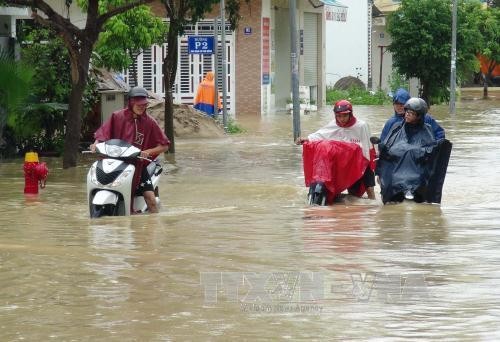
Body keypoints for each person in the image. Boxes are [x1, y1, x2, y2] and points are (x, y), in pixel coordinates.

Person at [90, 86, 170, 213]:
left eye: (144, 105)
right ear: (131, 103)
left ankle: (154, 227)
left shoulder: (149, 122)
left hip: (138, 164)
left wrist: (147, 152)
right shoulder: (117, 116)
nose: (141, 107)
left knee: (151, 200)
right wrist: (95, 144)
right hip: (115, 162)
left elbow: (165, 145)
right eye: (138, 104)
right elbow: (103, 134)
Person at [376, 97, 451, 204]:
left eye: (411, 113)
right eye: (407, 112)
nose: (407, 114)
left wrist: (416, 152)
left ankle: (413, 192)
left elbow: (431, 148)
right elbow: (387, 145)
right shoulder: (396, 127)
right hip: (398, 167)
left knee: (420, 178)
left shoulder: (427, 129)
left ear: (419, 116)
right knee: (390, 178)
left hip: (417, 169)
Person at [296, 99, 376, 200]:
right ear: (335, 115)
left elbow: (368, 147)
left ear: (350, 114)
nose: (342, 119)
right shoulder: (333, 125)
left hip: (359, 162)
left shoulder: (361, 126)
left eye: (345, 115)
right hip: (343, 164)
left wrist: (369, 165)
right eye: (339, 116)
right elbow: (320, 135)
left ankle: (372, 203)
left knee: (367, 184)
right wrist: (306, 139)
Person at [379, 88, 444, 142]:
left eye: (401, 104)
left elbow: (439, 134)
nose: (399, 107)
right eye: (396, 104)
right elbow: (383, 141)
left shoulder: (425, 118)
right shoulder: (391, 123)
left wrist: (434, 148)